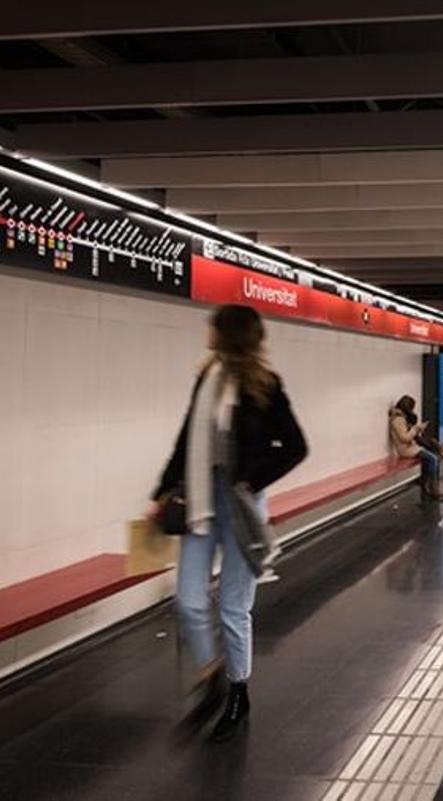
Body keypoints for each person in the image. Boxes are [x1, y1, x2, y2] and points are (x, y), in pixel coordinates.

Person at [148, 304, 308, 743]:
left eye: (213, 326)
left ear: (230, 334)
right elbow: (185, 442)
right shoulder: (207, 380)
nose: (207, 330)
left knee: (234, 607)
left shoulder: (266, 387)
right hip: (200, 502)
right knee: (188, 601)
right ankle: (211, 674)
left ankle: (238, 690)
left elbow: (294, 446)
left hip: (240, 508)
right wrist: (161, 491)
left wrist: (251, 479)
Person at [390, 395, 443, 500]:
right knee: (432, 458)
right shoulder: (397, 420)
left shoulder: (402, 418)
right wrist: (415, 429)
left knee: (432, 457)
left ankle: (426, 483)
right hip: (405, 450)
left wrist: (417, 430)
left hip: (410, 447)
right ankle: (433, 489)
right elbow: (404, 438)